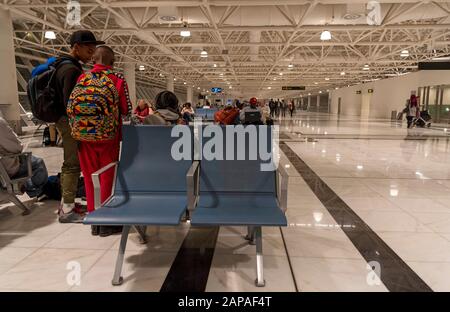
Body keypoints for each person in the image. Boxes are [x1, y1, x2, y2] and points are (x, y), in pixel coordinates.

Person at [67, 45, 132, 236]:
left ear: (93, 60)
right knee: (107, 176)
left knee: (89, 176)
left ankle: (94, 220)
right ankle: (106, 222)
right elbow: (126, 109)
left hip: (83, 136)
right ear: (113, 62)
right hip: (108, 136)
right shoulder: (117, 79)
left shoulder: (82, 78)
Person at [53, 30, 104, 223]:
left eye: (93, 51)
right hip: (69, 123)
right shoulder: (71, 71)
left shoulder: (64, 66)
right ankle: (67, 210)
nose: (91, 54)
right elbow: (72, 104)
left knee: (72, 163)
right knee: (72, 163)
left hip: (64, 121)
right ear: (76, 47)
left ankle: (68, 203)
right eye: (88, 50)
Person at [0, 117, 48, 198]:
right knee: (38, 163)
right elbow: (17, 147)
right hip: (4, 171)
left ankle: (25, 185)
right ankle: (36, 191)